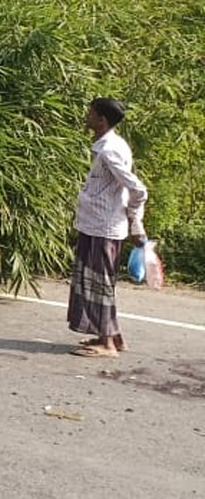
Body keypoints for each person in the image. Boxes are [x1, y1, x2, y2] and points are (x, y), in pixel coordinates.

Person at [69, 97, 148, 358]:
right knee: (98, 282)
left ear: (101, 120)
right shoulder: (112, 144)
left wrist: (136, 220)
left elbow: (137, 189)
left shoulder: (110, 150)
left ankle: (107, 344)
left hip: (103, 225)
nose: (87, 117)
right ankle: (113, 336)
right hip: (98, 223)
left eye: (90, 114)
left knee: (98, 284)